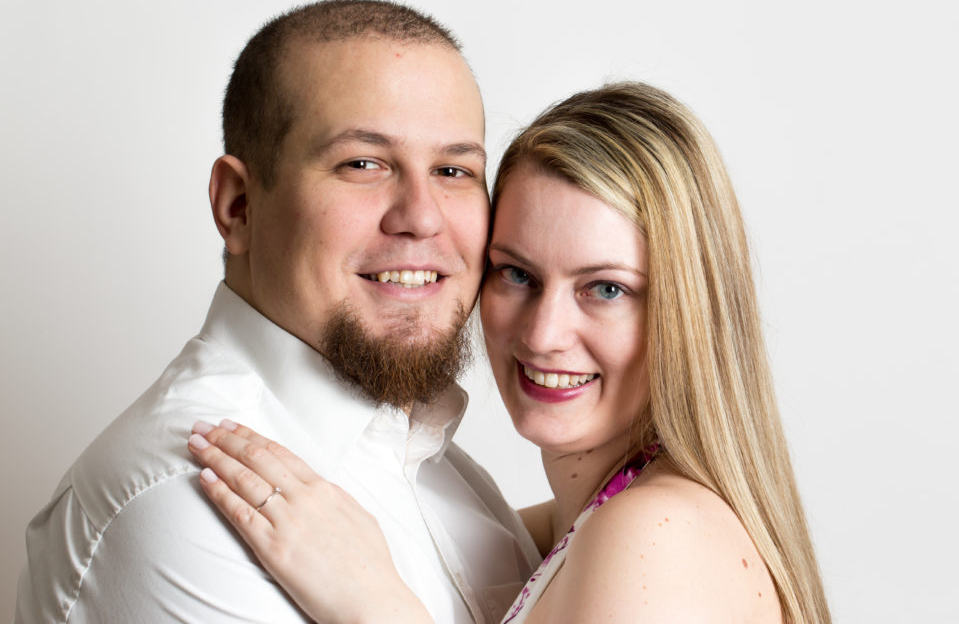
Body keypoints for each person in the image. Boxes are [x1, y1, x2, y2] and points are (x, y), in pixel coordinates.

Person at [187, 82, 832, 623]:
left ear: (689, 311)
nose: (543, 334)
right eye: (517, 274)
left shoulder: (654, 536)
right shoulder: (583, 522)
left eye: (606, 289)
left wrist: (371, 602)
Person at [15, 0, 540, 624]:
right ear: (238, 205)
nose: (422, 217)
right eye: (363, 164)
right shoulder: (189, 500)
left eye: (453, 170)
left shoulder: (438, 473)